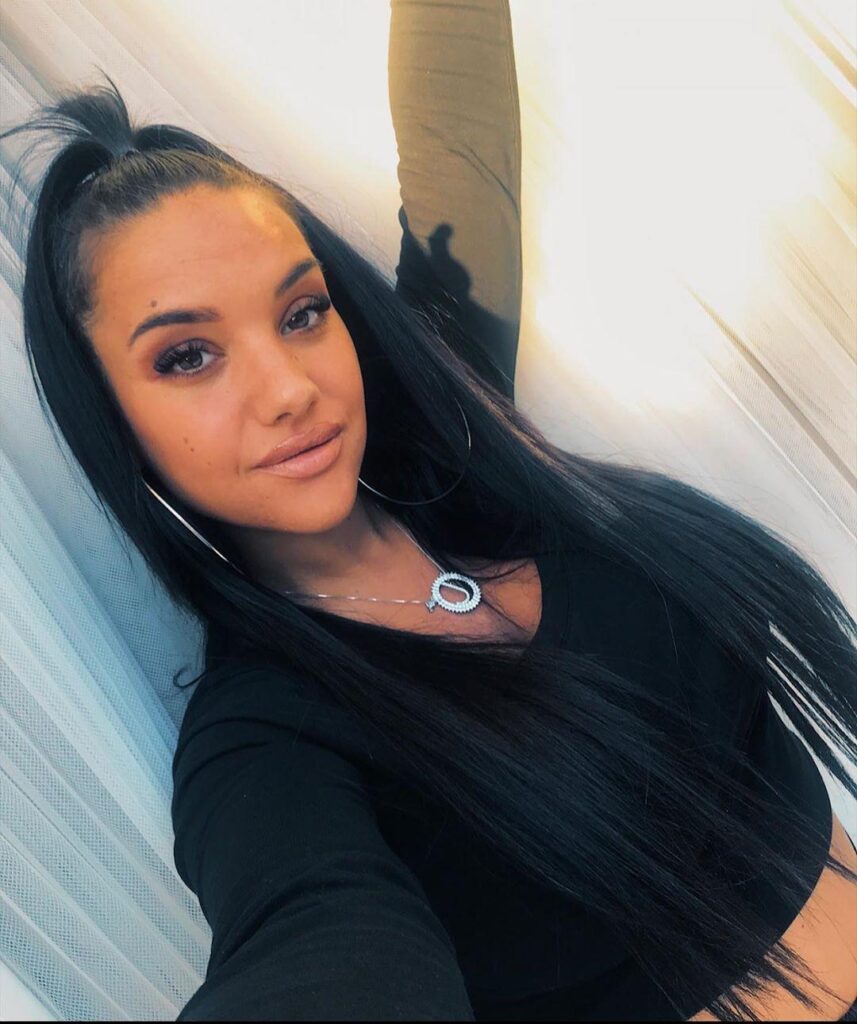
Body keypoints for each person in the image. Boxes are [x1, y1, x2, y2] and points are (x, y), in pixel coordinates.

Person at [2, 0, 855, 1019]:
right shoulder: (265, 741)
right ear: (113, 420)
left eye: (301, 311)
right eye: (187, 356)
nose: (288, 388)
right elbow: (318, 940)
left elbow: (458, 137)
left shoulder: (469, 447)